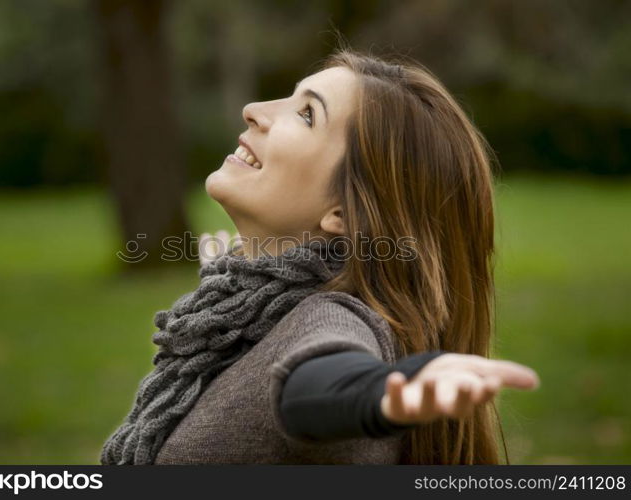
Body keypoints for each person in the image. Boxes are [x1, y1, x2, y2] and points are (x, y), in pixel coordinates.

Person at [100, 46, 540, 466]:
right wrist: (228, 272)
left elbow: (319, 383)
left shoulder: (332, 318)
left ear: (345, 213)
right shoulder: (257, 303)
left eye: (307, 114)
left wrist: (379, 393)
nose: (254, 109)